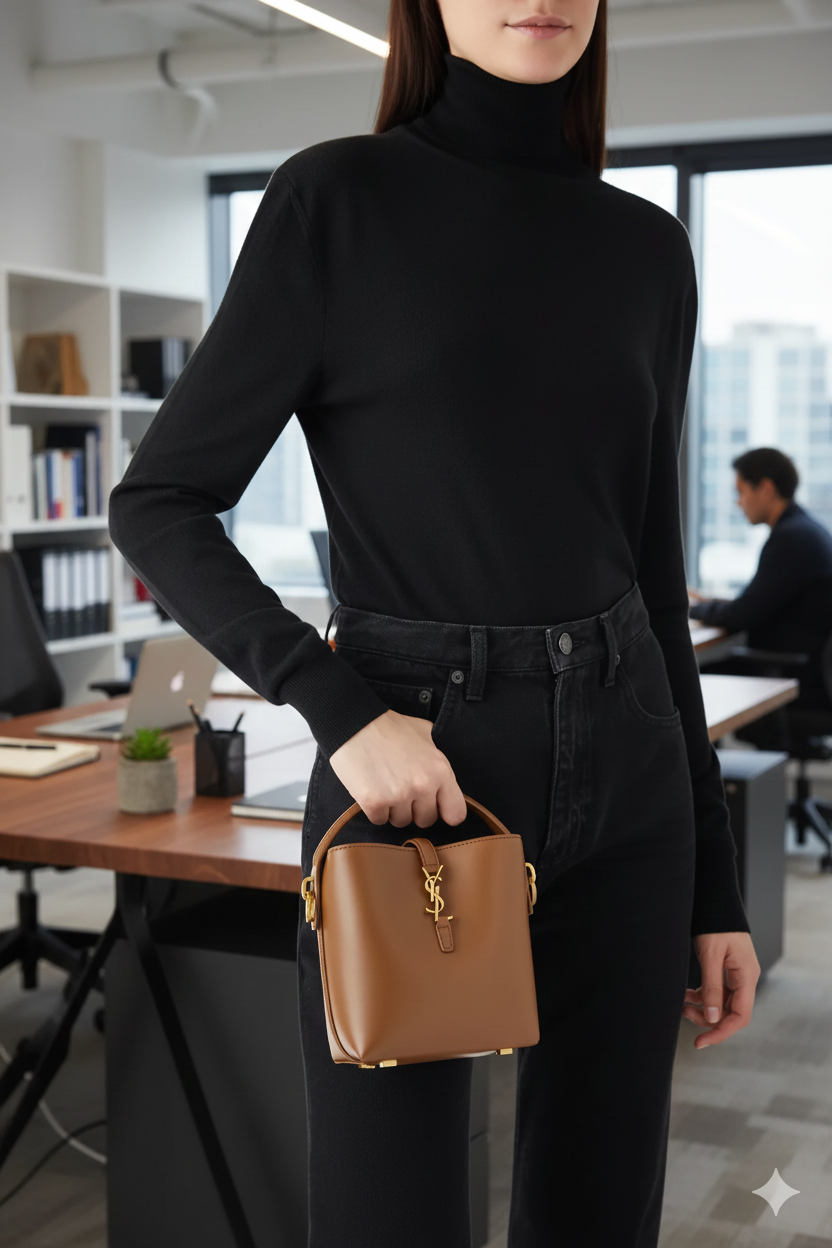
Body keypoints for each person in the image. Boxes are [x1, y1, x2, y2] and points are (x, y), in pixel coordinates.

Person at [108, 1, 761, 1244]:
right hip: (414, 769)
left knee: (599, 1212)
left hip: (629, 776)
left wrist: (714, 887)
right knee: (387, 1216)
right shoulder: (335, 203)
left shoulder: (646, 249)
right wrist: (341, 710)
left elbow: (649, 567)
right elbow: (157, 504)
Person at [690, 448, 832, 698]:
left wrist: (686, 607)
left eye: (741, 492)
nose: (738, 502)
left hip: (797, 676)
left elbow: (742, 614)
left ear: (766, 489)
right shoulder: (805, 530)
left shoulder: (791, 539)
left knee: (689, 682)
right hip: (809, 669)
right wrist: (709, 602)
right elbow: (758, 600)